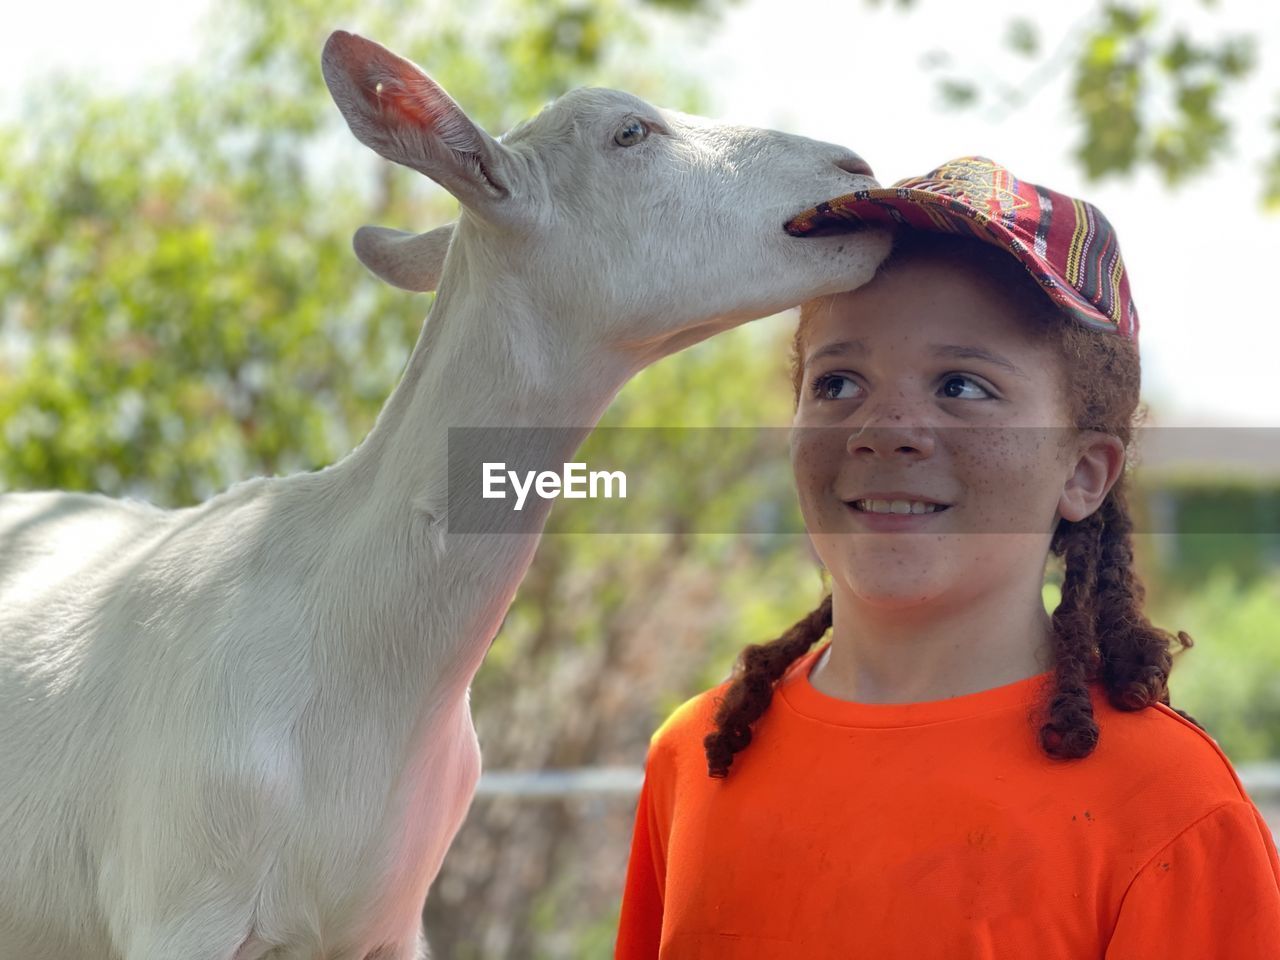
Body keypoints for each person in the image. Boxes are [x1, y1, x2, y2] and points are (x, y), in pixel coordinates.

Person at [614, 157, 1280, 959]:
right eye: (837, 383)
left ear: (1082, 472)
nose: (885, 428)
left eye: (961, 386)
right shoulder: (696, 756)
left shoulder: (1172, 811)